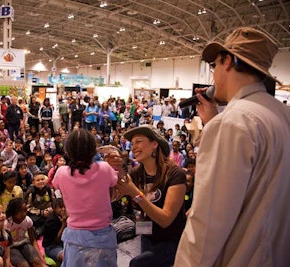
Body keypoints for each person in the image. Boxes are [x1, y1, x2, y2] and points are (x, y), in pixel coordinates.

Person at [174, 27, 290, 266]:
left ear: (227, 61)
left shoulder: (233, 123)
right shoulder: (282, 114)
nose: (213, 75)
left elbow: (207, 226)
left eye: (214, 66)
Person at [116, 124, 187, 267]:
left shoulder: (175, 174)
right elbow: (114, 194)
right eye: (132, 143)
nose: (133, 146)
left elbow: (166, 219)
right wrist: (112, 167)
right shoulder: (136, 174)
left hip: (172, 240)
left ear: (154, 144)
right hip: (147, 235)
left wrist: (136, 194)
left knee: (138, 264)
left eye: (139, 141)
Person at [53, 128, 118, 267]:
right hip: (103, 237)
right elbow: (115, 183)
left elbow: (56, 185)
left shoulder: (61, 172)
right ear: (94, 150)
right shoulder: (105, 168)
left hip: (75, 237)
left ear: (68, 151)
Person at [5, 198, 46, 267]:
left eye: (25, 211)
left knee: (37, 261)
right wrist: (9, 263)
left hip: (24, 243)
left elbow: (33, 239)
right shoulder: (6, 224)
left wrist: (40, 258)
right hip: (11, 247)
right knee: (24, 265)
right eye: (21, 211)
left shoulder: (27, 220)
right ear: (14, 212)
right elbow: (5, 245)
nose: (24, 214)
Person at [42, 198, 67, 264]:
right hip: (52, 246)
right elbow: (57, 240)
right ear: (54, 209)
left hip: (64, 243)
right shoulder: (51, 221)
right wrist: (64, 224)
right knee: (65, 257)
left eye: (64, 207)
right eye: (61, 207)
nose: (63, 209)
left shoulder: (66, 217)